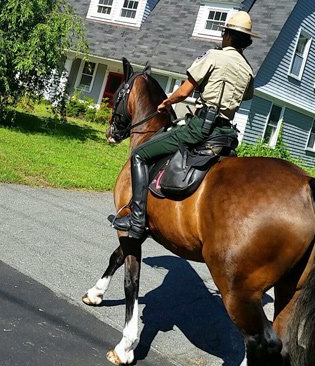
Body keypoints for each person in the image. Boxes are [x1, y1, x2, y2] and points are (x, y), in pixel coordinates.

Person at [111, 11, 259, 239]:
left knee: (139, 154)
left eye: (224, 33)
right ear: (246, 41)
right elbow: (245, 96)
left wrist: (166, 102)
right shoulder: (248, 69)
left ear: (228, 36)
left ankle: (137, 217)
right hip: (227, 133)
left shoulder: (213, 56)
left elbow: (184, 91)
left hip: (201, 127)